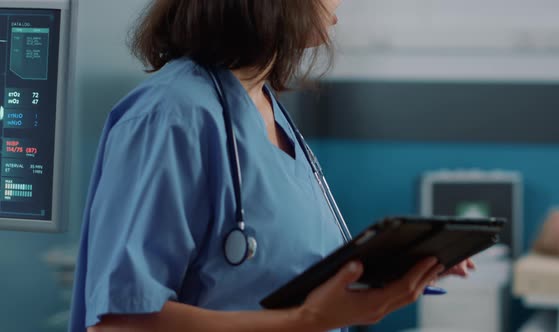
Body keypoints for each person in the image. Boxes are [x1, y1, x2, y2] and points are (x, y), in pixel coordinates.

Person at [68, 1, 474, 331]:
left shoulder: (264, 106)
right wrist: (305, 322)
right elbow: (122, 322)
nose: (339, 4)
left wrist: (395, 268)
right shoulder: (171, 116)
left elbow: (274, 273)